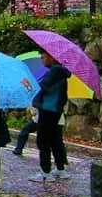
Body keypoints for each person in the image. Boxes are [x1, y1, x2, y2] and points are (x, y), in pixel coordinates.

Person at [28, 50, 72, 181]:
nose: (42, 59)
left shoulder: (55, 71)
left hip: (48, 109)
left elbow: (42, 87)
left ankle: (45, 172)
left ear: (52, 58)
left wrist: (29, 86)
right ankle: (60, 169)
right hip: (55, 110)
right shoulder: (60, 71)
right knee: (55, 140)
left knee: (43, 140)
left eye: (44, 57)